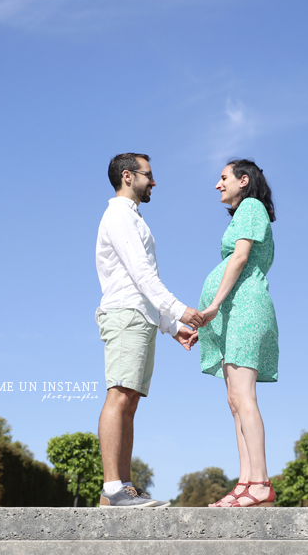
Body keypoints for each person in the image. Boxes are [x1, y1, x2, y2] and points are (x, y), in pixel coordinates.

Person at [95, 152, 203, 508]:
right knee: (120, 395)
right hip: (125, 314)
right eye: (148, 175)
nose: (153, 182)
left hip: (140, 316)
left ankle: (122, 486)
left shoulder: (134, 218)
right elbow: (141, 274)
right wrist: (179, 311)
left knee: (131, 401)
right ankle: (113, 487)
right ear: (128, 176)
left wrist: (171, 326)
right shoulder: (119, 216)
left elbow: (144, 281)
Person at [198, 159, 279, 507]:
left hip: (245, 309)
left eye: (223, 178)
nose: (218, 184)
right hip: (234, 313)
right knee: (235, 402)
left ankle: (260, 483)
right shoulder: (244, 210)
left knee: (243, 398)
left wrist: (214, 305)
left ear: (243, 181)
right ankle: (245, 483)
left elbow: (240, 257)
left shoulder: (250, 205)